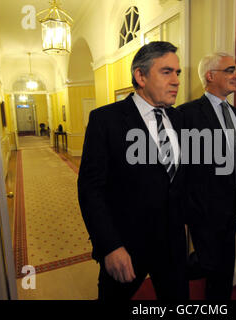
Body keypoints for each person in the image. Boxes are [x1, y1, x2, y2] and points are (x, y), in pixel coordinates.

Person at [77, 41, 188, 300]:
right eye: (166, 72)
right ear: (140, 76)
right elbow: (90, 189)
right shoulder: (105, 120)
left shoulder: (180, 119)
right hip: (126, 246)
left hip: (172, 245)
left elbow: (182, 181)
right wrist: (110, 246)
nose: (176, 81)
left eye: (178, 73)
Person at [178, 52, 236, 300]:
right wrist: (189, 206)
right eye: (231, 70)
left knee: (223, 269)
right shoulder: (186, 114)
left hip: (232, 204)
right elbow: (180, 166)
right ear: (210, 76)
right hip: (204, 208)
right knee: (207, 263)